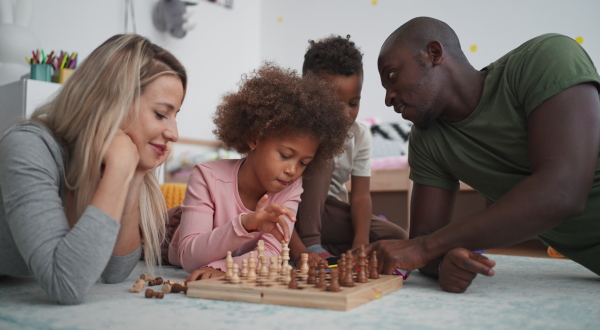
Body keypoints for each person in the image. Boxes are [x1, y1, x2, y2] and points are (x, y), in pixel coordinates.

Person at [370, 16, 600, 293]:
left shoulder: (548, 59)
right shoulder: (427, 140)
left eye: (392, 75)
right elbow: (423, 242)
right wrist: (444, 262)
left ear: (434, 53)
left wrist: (426, 247)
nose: (388, 98)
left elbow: (564, 192)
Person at [0, 34, 187, 304]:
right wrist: (119, 171)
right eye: (161, 113)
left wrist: (134, 176)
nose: (174, 133)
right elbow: (67, 285)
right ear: (112, 102)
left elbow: (115, 271)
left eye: (176, 115)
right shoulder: (28, 145)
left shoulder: (109, 163)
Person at [167, 63, 351, 281]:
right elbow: (189, 258)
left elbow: (273, 254)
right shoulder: (207, 176)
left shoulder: (290, 188)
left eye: (304, 162)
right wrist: (246, 224)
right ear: (254, 137)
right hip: (161, 238)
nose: (292, 170)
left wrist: (222, 268)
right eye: (285, 155)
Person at [289, 35, 408, 268]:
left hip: (331, 213)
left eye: (353, 103)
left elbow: (361, 195)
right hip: (292, 211)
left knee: (397, 238)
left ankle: (323, 252)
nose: (345, 114)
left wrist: (360, 241)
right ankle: (310, 245)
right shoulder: (295, 127)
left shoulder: (360, 134)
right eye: (334, 103)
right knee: (322, 152)